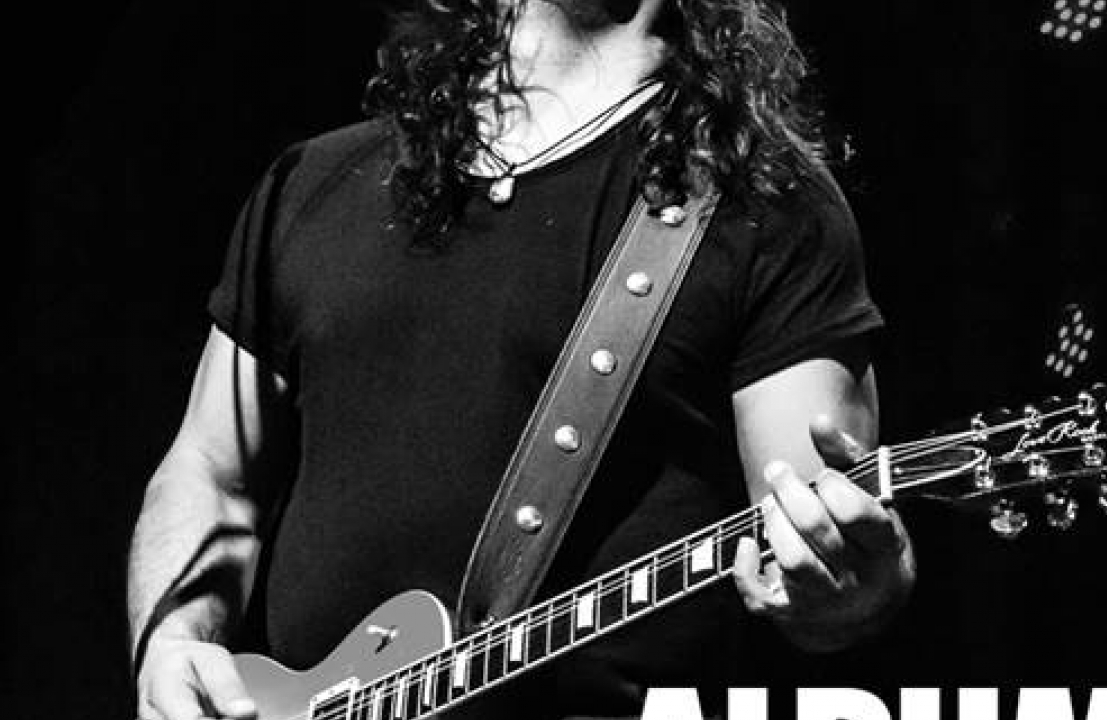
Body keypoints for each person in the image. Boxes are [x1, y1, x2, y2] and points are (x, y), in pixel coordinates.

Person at [127, 0, 915, 718]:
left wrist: (853, 587)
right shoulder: (314, 184)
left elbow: (819, 548)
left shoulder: (766, 207)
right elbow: (211, 471)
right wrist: (170, 643)